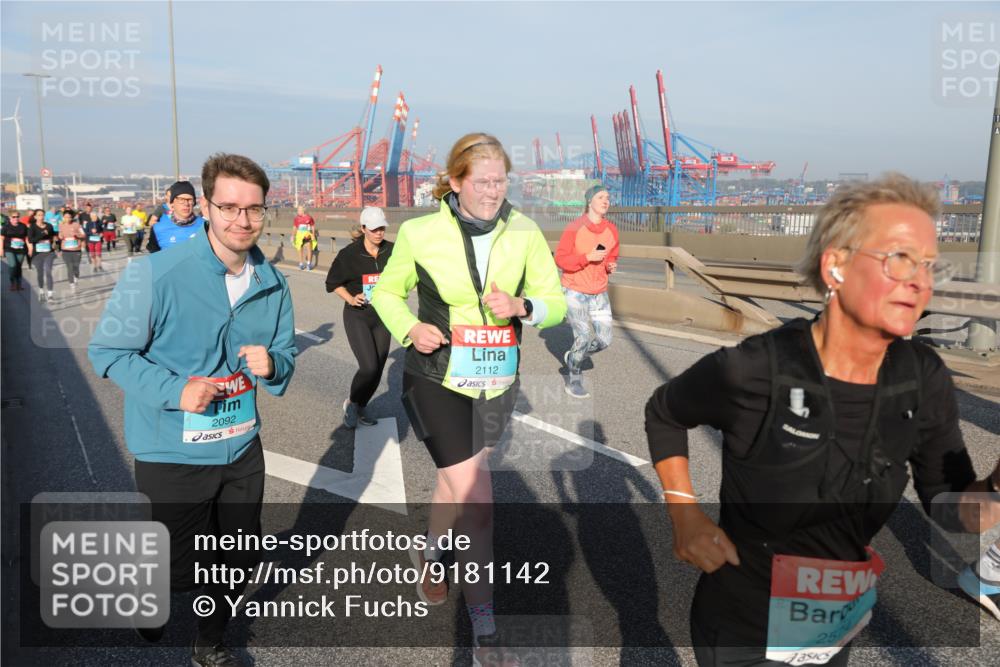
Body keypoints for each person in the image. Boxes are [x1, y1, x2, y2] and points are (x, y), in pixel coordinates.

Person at [644, 173, 1000, 666]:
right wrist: (684, 513)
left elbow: (952, 508)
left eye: (928, 265)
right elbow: (664, 411)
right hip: (743, 628)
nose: (920, 280)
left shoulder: (922, 377)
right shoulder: (760, 368)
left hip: (833, 629)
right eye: (899, 259)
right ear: (835, 265)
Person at [89, 153, 297, 667]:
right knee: (174, 567)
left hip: (242, 444)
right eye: (228, 207)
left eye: (253, 209)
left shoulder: (272, 284)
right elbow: (108, 353)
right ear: (206, 206)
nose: (242, 220)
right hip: (172, 448)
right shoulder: (155, 274)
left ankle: (211, 637)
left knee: (237, 559)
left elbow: (287, 357)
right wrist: (175, 390)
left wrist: (272, 365)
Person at [372, 132, 565, 665]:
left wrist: (524, 305)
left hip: (498, 382)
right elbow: (385, 292)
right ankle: (486, 628)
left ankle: (431, 553)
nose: (491, 192)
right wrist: (411, 328)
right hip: (435, 378)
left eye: (500, 181)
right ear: (455, 182)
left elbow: (557, 302)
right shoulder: (419, 233)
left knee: (452, 481)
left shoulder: (524, 231)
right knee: (478, 503)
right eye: (481, 182)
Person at [325, 206, 393, 428]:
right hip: (358, 315)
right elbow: (333, 283)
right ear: (364, 229)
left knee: (379, 367)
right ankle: (352, 403)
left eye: (382, 228)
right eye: (374, 229)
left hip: (383, 315)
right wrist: (351, 298)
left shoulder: (393, 250)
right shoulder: (349, 254)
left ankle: (361, 405)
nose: (379, 233)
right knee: (368, 367)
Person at [554, 183, 619, 398]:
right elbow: (561, 259)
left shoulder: (611, 230)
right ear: (589, 201)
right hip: (574, 290)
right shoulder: (575, 227)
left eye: (607, 197)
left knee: (604, 340)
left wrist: (611, 265)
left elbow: (612, 255)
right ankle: (574, 376)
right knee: (582, 336)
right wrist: (586, 258)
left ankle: (574, 356)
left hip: (599, 292)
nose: (605, 200)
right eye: (600, 197)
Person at [146, 181, 204, 253]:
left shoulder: (206, 226)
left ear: (194, 203)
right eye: (181, 199)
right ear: (172, 203)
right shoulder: (158, 229)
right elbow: (153, 259)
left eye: (189, 200)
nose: (186, 204)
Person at [27, 208, 57, 302]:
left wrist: (55, 242)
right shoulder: (32, 227)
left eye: (42, 215)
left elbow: (53, 237)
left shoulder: (49, 226)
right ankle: (41, 291)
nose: (41, 217)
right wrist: (42, 234)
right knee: (40, 273)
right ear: (35, 216)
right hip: (37, 254)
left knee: (48, 271)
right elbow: (31, 240)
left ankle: (50, 295)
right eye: (39, 215)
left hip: (48, 252)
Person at [1, 210, 30, 291]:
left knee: (18, 267)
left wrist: (30, 249)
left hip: (21, 249)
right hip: (9, 249)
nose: (16, 218)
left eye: (17, 217)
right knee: (13, 265)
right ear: (10, 217)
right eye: (14, 217)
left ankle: (19, 284)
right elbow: (1, 238)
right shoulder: (6, 227)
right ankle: (12, 283)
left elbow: (27, 238)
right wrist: (1, 250)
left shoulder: (23, 226)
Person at [58, 211, 85, 292]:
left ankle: (76, 278)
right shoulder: (61, 225)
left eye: (69, 217)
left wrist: (77, 235)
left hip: (76, 249)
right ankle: (72, 285)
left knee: (76, 268)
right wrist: (60, 236)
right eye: (66, 217)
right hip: (66, 249)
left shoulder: (77, 225)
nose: (67, 219)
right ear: (63, 217)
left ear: (72, 217)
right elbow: (60, 234)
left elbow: (83, 235)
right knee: (69, 267)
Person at [292, 205, 317, 270]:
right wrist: (293, 236)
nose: (298, 211)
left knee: (309, 248)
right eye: (298, 210)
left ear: (303, 211)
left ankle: (308, 264)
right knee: (300, 249)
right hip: (299, 236)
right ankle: (301, 264)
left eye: (299, 210)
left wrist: (313, 235)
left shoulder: (309, 218)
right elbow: (294, 227)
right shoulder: (296, 218)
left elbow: (313, 226)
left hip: (307, 235)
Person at [83, 208, 105, 273]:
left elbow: (102, 230)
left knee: (98, 253)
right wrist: (91, 232)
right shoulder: (88, 224)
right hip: (90, 240)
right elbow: (86, 232)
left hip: (98, 240)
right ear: (91, 217)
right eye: (93, 216)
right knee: (92, 254)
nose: (95, 217)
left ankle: (100, 265)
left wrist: (101, 234)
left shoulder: (99, 223)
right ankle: (94, 267)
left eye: (95, 216)